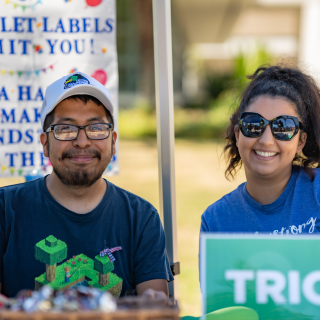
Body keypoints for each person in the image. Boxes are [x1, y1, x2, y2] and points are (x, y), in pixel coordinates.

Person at [0, 72, 173, 298]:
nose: (82, 142)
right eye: (65, 129)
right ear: (45, 144)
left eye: (96, 128)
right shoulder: (5, 209)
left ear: (113, 142)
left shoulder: (141, 217)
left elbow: (155, 310)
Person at [201, 65, 320, 235]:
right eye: (254, 124)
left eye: (283, 127)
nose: (266, 141)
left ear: (301, 141)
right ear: (237, 134)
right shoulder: (215, 221)